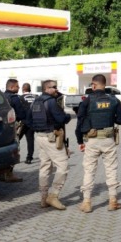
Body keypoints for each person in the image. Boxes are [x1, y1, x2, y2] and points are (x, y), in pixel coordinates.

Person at [75, 74, 121, 213]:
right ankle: (113, 201)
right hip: (108, 139)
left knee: (89, 170)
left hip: (92, 140)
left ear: (93, 85)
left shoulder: (87, 101)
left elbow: (79, 122)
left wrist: (80, 141)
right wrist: (111, 117)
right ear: (105, 85)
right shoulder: (114, 100)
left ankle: (86, 202)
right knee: (111, 169)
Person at [31, 79, 72, 210]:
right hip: (51, 138)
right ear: (46, 89)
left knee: (45, 167)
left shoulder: (35, 102)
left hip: (40, 137)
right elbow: (61, 119)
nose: (56, 89)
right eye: (54, 87)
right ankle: (53, 196)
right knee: (63, 166)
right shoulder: (51, 101)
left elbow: (28, 119)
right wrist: (68, 116)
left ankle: (43, 198)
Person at [0, 79, 26, 182]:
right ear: (11, 87)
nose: (19, 88)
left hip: (0, 128)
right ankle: (9, 174)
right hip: (12, 128)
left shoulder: (1, 96)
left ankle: (0, 172)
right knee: (14, 150)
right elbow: (22, 114)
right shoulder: (14, 98)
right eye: (17, 86)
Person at [20, 82, 35, 164]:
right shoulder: (35, 97)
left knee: (17, 139)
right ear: (30, 89)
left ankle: (14, 156)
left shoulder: (20, 98)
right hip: (32, 122)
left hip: (22, 122)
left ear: (23, 89)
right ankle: (29, 158)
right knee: (30, 140)